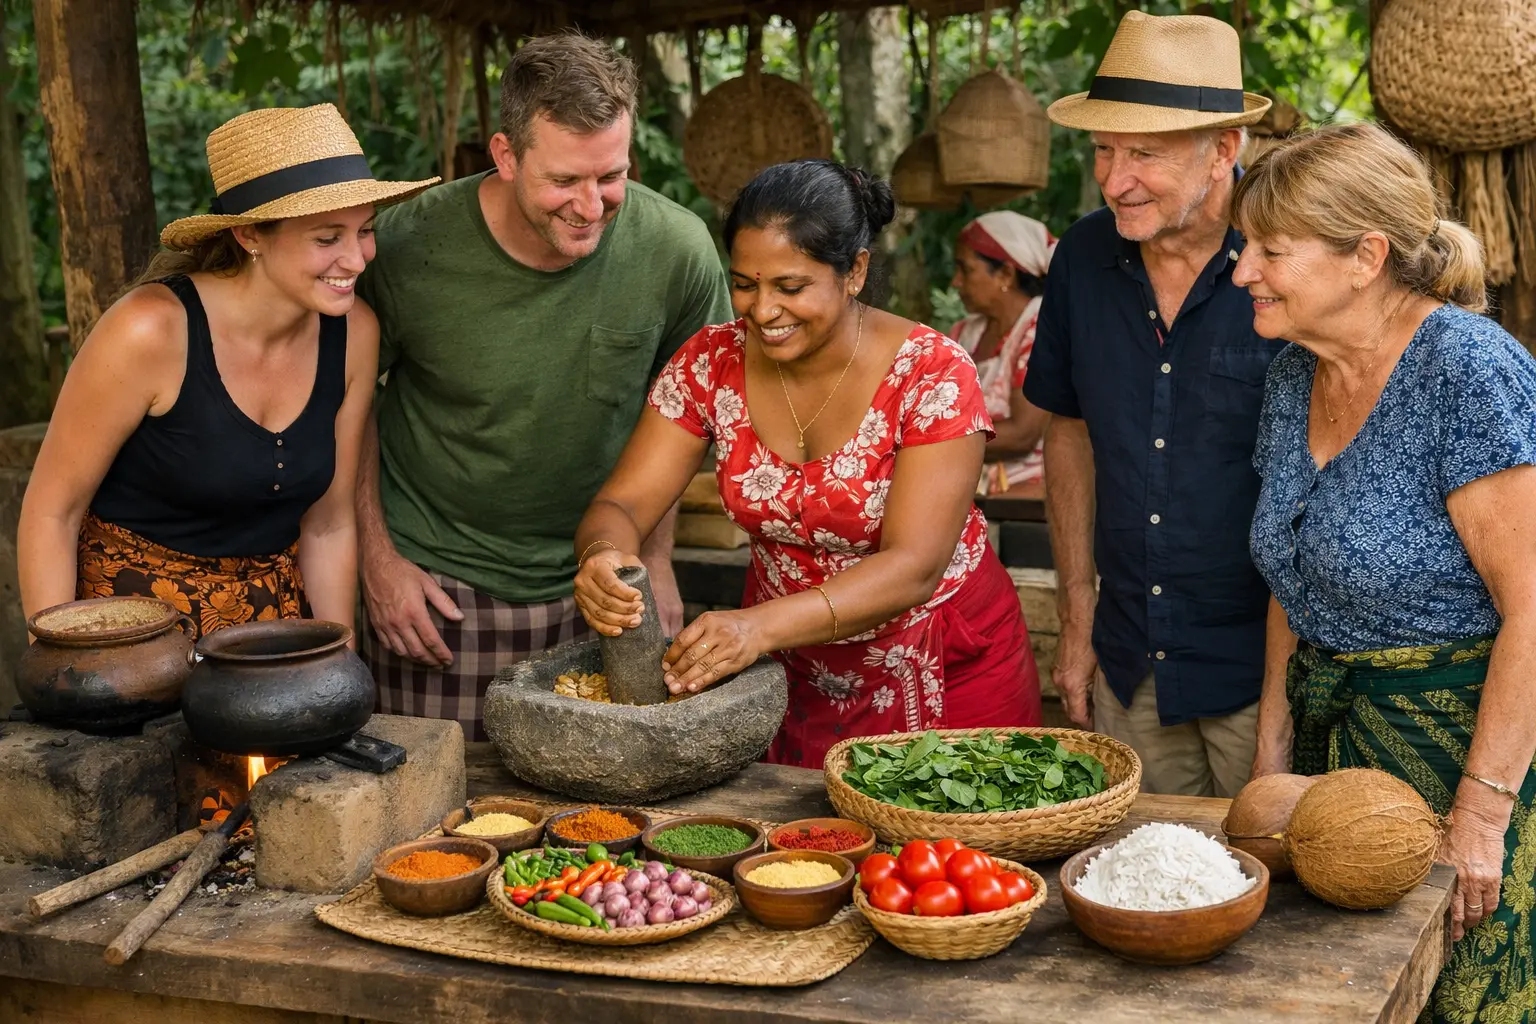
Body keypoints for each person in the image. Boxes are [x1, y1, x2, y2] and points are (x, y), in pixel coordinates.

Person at [570, 160, 1042, 769]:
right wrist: (602, 554)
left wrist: (756, 629)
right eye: (744, 283)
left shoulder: (931, 373)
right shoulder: (711, 362)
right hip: (784, 666)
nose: (762, 310)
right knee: (801, 851)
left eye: (790, 288)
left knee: (948, 852)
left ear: (856, 272)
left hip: (945, 660)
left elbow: (912, 567)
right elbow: (623, 504)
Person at [1237, 122, 1536, 1022]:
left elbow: (1533, 608)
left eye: (1270, 251)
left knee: (1460, 999)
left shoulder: (1469, 372)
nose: (1244, 270)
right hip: (1340, 772)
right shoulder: (1294, 373)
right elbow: (1296, 575)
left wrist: (1480, 822)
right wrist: (1273, 757)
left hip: (1470, 761)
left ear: (1366, 256)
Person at [355, 34, 730, 741]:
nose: (591, 206)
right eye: (565, 181)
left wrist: (655, 561)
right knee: (432, 828)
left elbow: (683, 420)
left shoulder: (677, 251)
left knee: (590, 826)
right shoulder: (405, 245)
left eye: (611, 176)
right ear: (505, 155)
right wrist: (378, 560)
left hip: (605, 587)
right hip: (436, 587)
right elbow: (344, 407)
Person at [17, 104, 428, 637]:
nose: (357, 259)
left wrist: (334, 660)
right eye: (328, 239)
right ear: (251, 235)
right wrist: (58, 664)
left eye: (365, 231)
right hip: (128, 641)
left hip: (267, 642)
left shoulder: (355, 333)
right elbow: (52, 513)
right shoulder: (150, 331)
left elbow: (328, 524)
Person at [1024, 11, 1284, 797]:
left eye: (1145, 154)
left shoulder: (1290, 264)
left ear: (1223, 152)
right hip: (1131, 658)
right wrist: (1077, 615)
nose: (1114, 180)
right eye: (1104, 149)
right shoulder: (1081, 259)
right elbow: (1068, 434)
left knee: (1276, 893)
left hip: (1267, 671)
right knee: (1146, 879)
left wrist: (1284, 709)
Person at [949, 211, 1055, 496]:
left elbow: (1023, 434)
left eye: (966, 269)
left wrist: (933, 444)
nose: (955, 282)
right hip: (975, 493)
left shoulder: (1042, 327)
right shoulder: (963, 334)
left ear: (1006, 274)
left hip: (1027, 501)